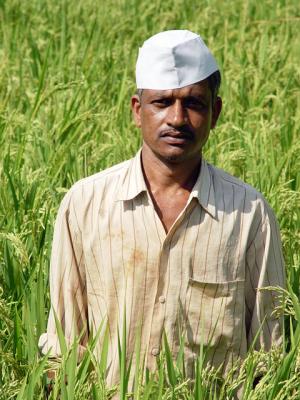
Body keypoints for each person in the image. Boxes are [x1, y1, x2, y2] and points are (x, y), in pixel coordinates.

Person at [39, 30, 285, 386]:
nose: (177, 118)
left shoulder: (249, 214)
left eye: (195, 103)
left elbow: (269, 353)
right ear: (138, 111)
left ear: (215, 112)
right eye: (162, 103)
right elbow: (63, 348)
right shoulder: (84, 205)